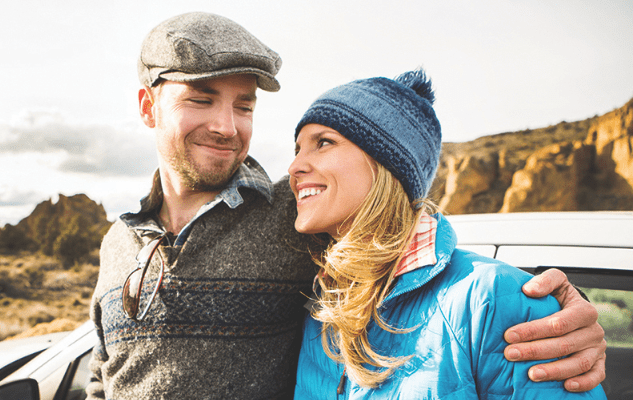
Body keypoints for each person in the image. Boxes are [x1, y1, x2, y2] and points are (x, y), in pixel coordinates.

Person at [87, 12, 606, 399]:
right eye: (202, 99)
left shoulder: (286, 218)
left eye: (244, 106)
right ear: (147, 107)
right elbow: (102, 372)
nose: (227, 125)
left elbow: (408, 249)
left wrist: (562, 309)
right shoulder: (120, 243)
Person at [290, 70, 606, 399]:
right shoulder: (322, 304)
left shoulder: (490, 297)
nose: (294, 167)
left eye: (323, 143)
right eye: (297, 149)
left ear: (387, 163)